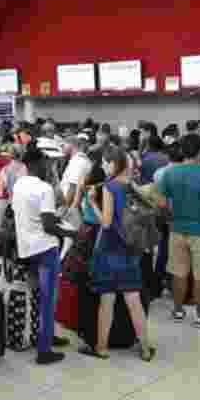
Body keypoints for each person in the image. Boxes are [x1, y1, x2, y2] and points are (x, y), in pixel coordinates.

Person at [81, 146, 157, 361]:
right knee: (133, 299)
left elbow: (105, 223)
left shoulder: (109, 187)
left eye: (105, 163)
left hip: (108, 249)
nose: (103, 167)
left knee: (107, 300)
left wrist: (92, 202)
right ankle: (145, 347)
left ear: (114, 164)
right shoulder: (131, 186)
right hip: (129, 249)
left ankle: (101, 348)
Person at [12, 145, 75, 365]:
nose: (48, 166)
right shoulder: (45, 188)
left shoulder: (18, 184)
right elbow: (48, 225)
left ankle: (45, 336)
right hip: (45, 249)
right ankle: (44, 350)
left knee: (40, 296)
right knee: (49, 300)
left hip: (26, 248)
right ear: (36, 164)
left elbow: (31, 215)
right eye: (46, 163)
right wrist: (70, 232)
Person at [157, 134, 200, 327]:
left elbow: (161, 202)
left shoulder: (170, 173)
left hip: (177, 230)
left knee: (178, 272)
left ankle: (178, 311)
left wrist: (171, 216)